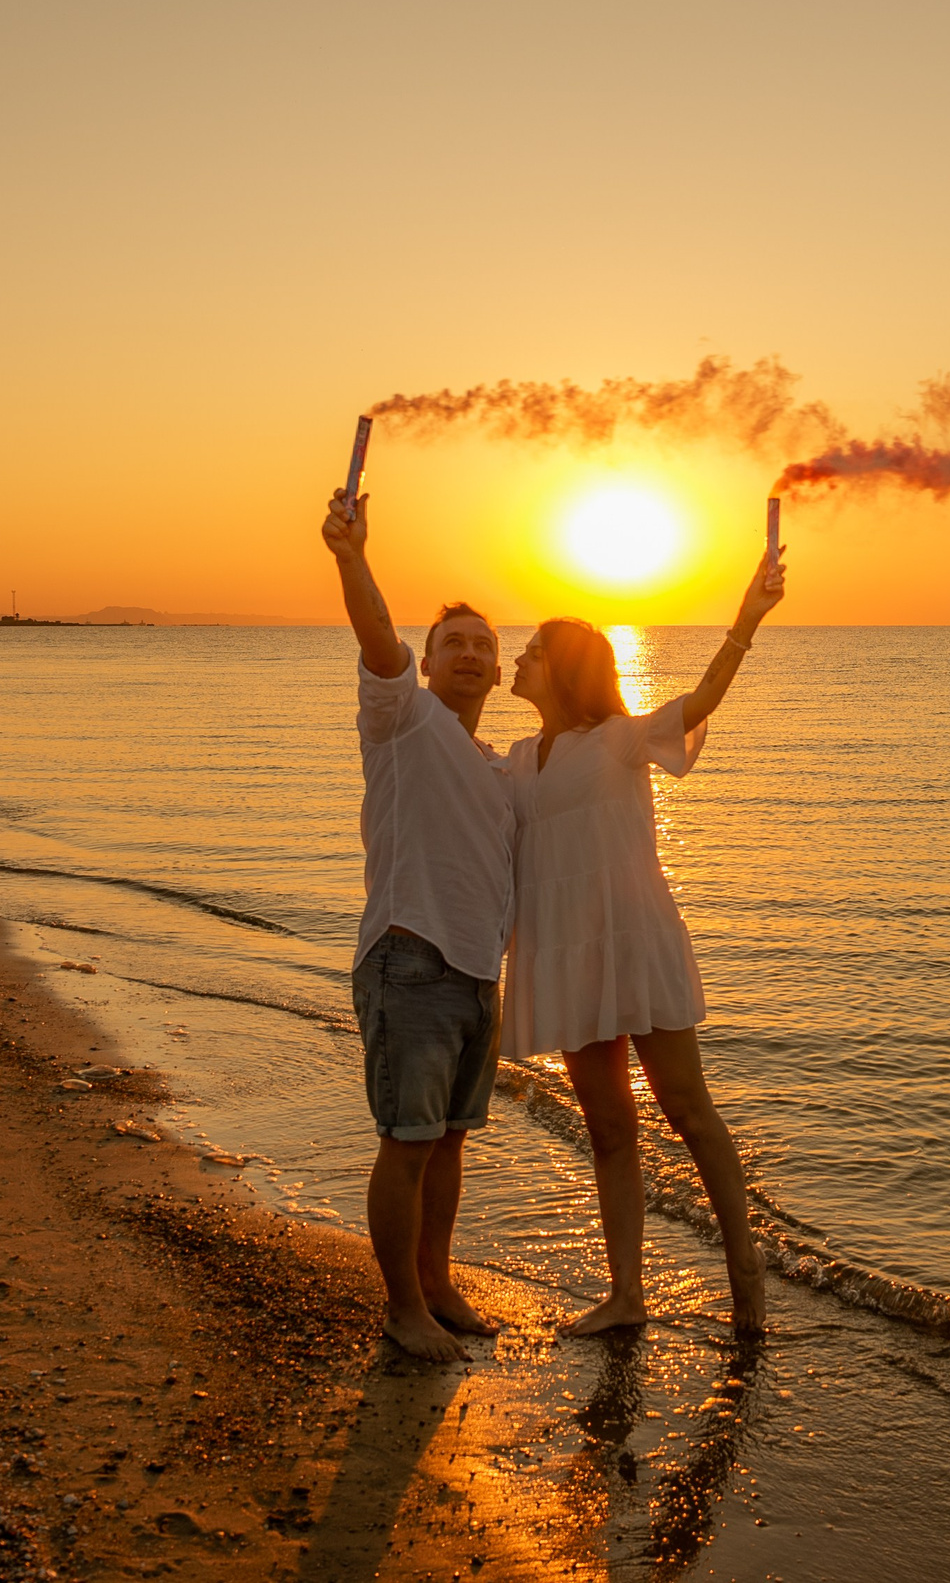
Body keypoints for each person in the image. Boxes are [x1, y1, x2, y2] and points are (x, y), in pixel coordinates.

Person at [502, 548, 787, 1337]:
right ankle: (627, 1294)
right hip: (565, 954)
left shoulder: (621, 739)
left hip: (634, 940)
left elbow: (700, 701)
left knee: (690, 1112)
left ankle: (745, 1274)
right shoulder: (519, 762)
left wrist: (746, 621)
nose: (517, 658)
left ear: (562, 668)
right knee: (608, 1128)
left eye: (531, 649)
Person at [320, 485, 514, 1362]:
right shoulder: (406, 718)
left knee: (448, 1146)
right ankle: (402, 1307)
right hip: (409, 958)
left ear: (500, 672)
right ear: (427, 664)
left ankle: (437, 1284)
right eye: (454, 644)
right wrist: (353, 558)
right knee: (406, 1144)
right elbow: (373, 633)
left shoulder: (493, 765)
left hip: (476, 976)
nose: (469, 654)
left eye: (485, 645)